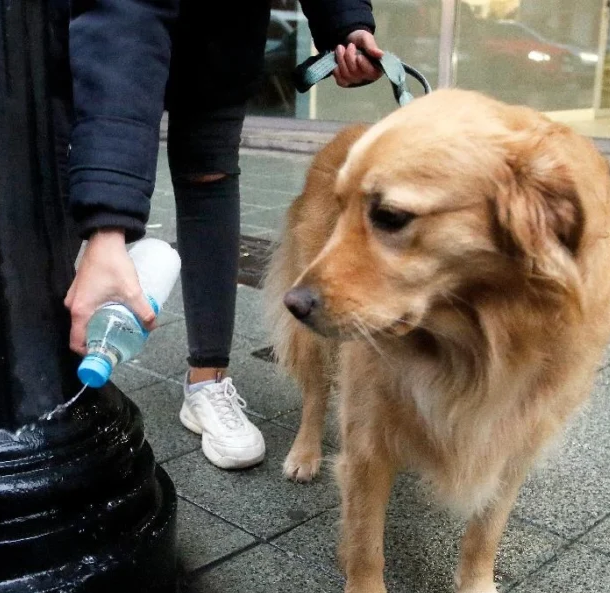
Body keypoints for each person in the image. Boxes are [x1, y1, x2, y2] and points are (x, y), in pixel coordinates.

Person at [63, 0, 383, 469]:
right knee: (78, 159)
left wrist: (345, 22)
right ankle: (52, 377)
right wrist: (107, 228)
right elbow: (118, 41)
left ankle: (207, 383)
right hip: (114, 20)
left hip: (222, 32)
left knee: (209, 179)